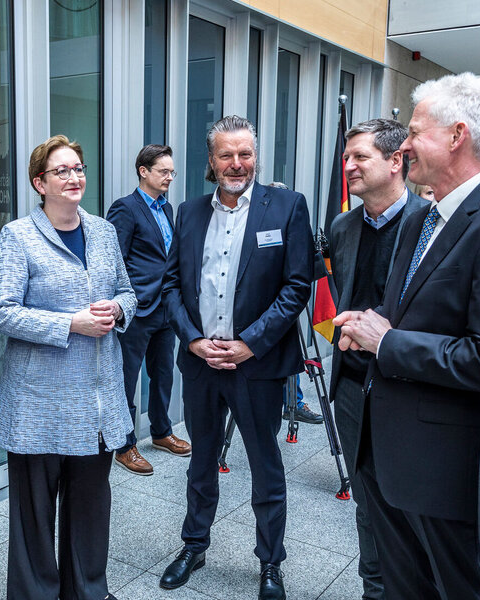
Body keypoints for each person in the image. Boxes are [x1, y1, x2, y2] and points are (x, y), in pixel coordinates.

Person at [334, 73, 480, 600]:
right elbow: (399, 311)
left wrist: (386, 342)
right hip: (384, 451)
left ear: (456, 136)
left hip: (443, 466)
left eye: (413, 131)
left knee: (459, 589)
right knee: (405, 587)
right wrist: (363, 328)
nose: (403, 144)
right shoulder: (422, 218)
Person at [159, 115, 313, 600]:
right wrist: (192, 340)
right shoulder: (188, 212)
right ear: (210, 160)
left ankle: (270, 563)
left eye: (244, 153)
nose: (236, 163)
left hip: (258, 366)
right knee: (201, 460)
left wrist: (250, 343)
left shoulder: (287, 206)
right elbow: (170, 285)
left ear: (256, 155)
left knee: (266, 466)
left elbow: (297, 286)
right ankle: (194, 545)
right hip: (202, 364)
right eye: (226, 154)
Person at [0, 135, 135, 600]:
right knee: (34, 518)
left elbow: (128, 291)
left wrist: (118, 309)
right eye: (62, 171)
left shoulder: (104, 232)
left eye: (78, 168)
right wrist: (70, 322)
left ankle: (87, 591)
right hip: (39, 403)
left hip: (96, 399)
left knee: (90, 509)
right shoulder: (18, 236)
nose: (74, 178)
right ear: (39, 183)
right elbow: (1, 311)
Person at [328, 118, 429, 599]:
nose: (348, 166)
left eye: (359, 157)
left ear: (396, 161)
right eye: (346, 157)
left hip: (406, 390)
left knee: (411, 508)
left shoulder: (433, 226)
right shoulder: (343, 227)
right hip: (351, 389)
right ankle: (375, 589)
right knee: (367, 504)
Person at [106, 144, 191, 476]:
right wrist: (124, 301)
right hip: (138, 308)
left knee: (164, 374)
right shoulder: (125, 209)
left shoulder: (167, 209)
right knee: (127, 378)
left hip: (167, 307)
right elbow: (114, 262)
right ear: (144, 171)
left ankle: (161, 432)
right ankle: (124, 446)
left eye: (172, 172)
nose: (170, 177)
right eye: (164, 171)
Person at [266, 181, 322, 426]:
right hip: (263, 308)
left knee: (291, 352)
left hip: (288, 304)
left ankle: (295, 403)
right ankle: (269, 404)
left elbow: (308, 270)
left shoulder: (296, 226)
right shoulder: (259, 225)